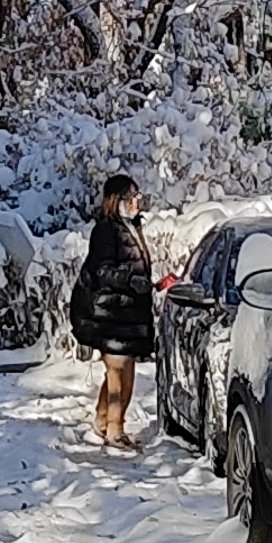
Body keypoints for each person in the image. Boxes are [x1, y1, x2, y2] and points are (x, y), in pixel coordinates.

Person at [65, 173, 156, 452]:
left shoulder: (132, 227)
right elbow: (103, 271)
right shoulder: (106, 230)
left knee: (120, 370)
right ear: (115, 200)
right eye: (129, 197)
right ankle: (115, 429)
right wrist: (130, 280)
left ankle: (103, 420)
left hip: (126, 316)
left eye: (137, 196)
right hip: (107, 316)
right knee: (119, 372)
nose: (135, 201)